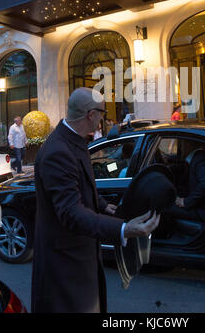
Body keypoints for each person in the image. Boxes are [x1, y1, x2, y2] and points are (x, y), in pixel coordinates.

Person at [31, 87, 160, 313]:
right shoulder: (58, 151)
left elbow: (78, 184)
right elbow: (71, 212)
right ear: (91, 115)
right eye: (103, 112)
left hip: (78, 257)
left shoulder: (72, 140)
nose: (104, 118)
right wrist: (123, 229)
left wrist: (101, 204)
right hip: (65, 265)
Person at [163, 146, 205, 223]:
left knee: (163, 207)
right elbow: (182, 165)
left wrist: (186, 202)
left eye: (181, 144)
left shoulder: (200, 160)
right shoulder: (196, 156)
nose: (180, 147)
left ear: (187, 143)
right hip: (201, 204)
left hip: (202, 210)